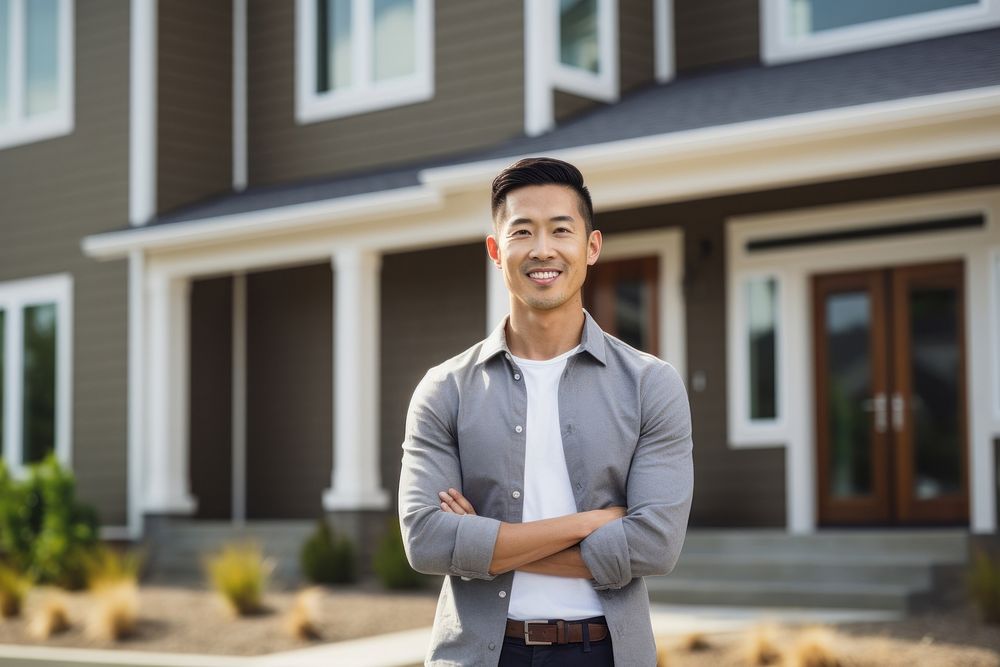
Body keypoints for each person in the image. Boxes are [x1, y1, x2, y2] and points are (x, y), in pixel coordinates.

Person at [398, 156, 694, 666]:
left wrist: (484, 547)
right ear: (496, 250)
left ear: (591, 246)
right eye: (522, 232)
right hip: (478, 656)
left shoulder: (650, 385)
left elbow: (654, 547)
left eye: (561, 230)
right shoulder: (445, 389)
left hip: (604, 654)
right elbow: (425, 540)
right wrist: (591, 523)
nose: (542, 250)